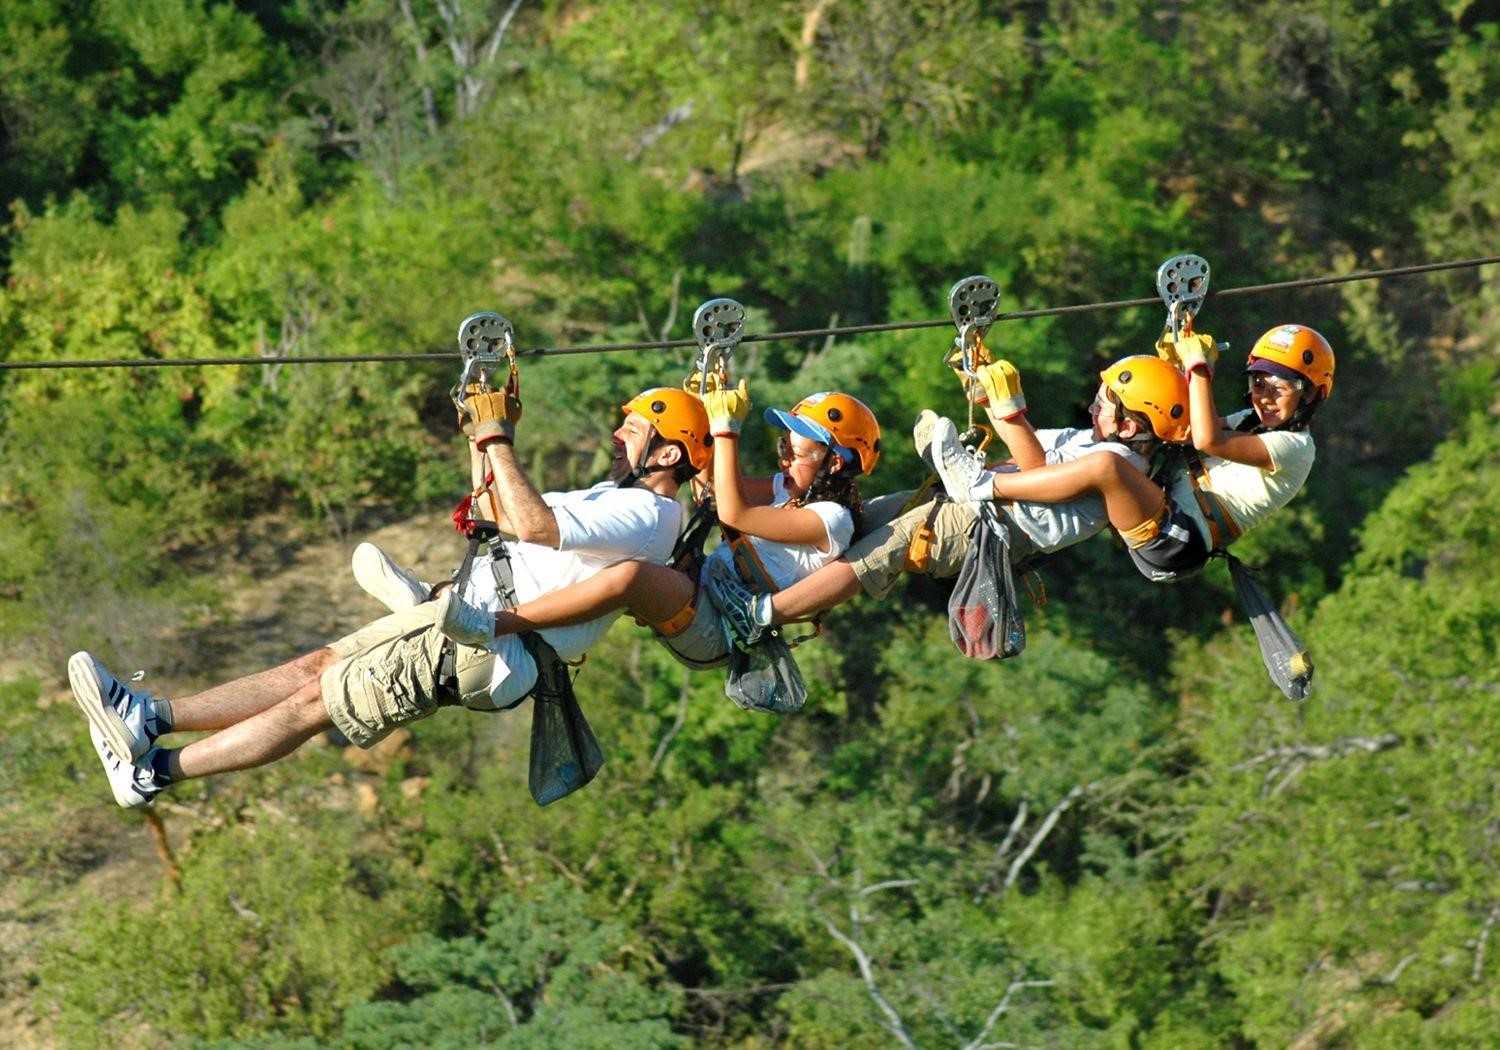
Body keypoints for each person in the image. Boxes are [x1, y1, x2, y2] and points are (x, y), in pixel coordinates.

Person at [67, 384, 713, 808]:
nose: (615, 438)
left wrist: (499, 440)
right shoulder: (613, 500)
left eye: (632, 430)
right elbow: (501, 513)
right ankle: (148, 717)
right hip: (463, 620)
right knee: (313, 670)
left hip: (485, 644)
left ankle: (150, 775)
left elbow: (537, 524)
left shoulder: (647, 515)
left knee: (314, 705)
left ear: (671, 452)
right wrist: (480, 439)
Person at [707, 354, 1188, 641]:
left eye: (1102, 402)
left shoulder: (1123, 468)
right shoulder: (1093, 440)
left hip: (1000, 526)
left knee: (885, 546)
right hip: (989, 505)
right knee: (876, 513)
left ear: (1128, 424)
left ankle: (762, 616)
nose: (1091, 403)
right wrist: (986, 392)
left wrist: (1009, 410)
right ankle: (967, 478)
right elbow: (1031, 452)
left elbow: (1036, 470)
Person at [428, 382, 882, 671]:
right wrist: (705, 405)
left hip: (717, 628)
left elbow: (734, 513)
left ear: (834, 462)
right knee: (616, 555)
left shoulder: (831, 520)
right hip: (705, 595)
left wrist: (724, 431)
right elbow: (711, 488)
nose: (783, 458)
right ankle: (448, 603)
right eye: (782, 446)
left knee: (632, 576)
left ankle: (495, 624)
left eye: (794, 453)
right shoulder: (788, 491)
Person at [931, 325, 1334, 582]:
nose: (1265, 397)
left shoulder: (1294, 447)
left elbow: (1208, 441)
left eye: (1281, 387)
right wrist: (1174, 363)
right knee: (1086, 456)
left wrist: (1198, 370)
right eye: (1259, 384)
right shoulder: (1252, 419)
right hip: (1163, 511)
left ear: (1313, 394)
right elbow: (1192, 428)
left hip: (1176, 542)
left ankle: (983, 485)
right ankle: (987, 468)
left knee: (1107, 465)